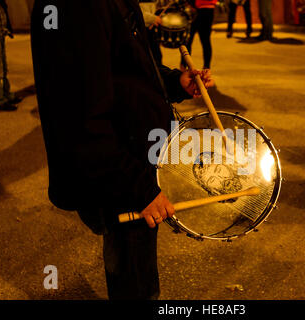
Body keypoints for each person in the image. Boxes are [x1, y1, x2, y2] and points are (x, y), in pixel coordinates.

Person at [30, 0, 214, 300]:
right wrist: (139, 188)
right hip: (118, 168)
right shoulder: (73, 8)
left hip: (133, 158)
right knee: (134, 280)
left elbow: (128, 71)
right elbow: (80, 118)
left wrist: (173, 82)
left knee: (135, 267)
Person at [183, 0, 218, 69]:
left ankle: (184, 66)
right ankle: (206, 67)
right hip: (206, 9)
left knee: (189, 40)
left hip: (202, 9)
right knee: (204, 40)